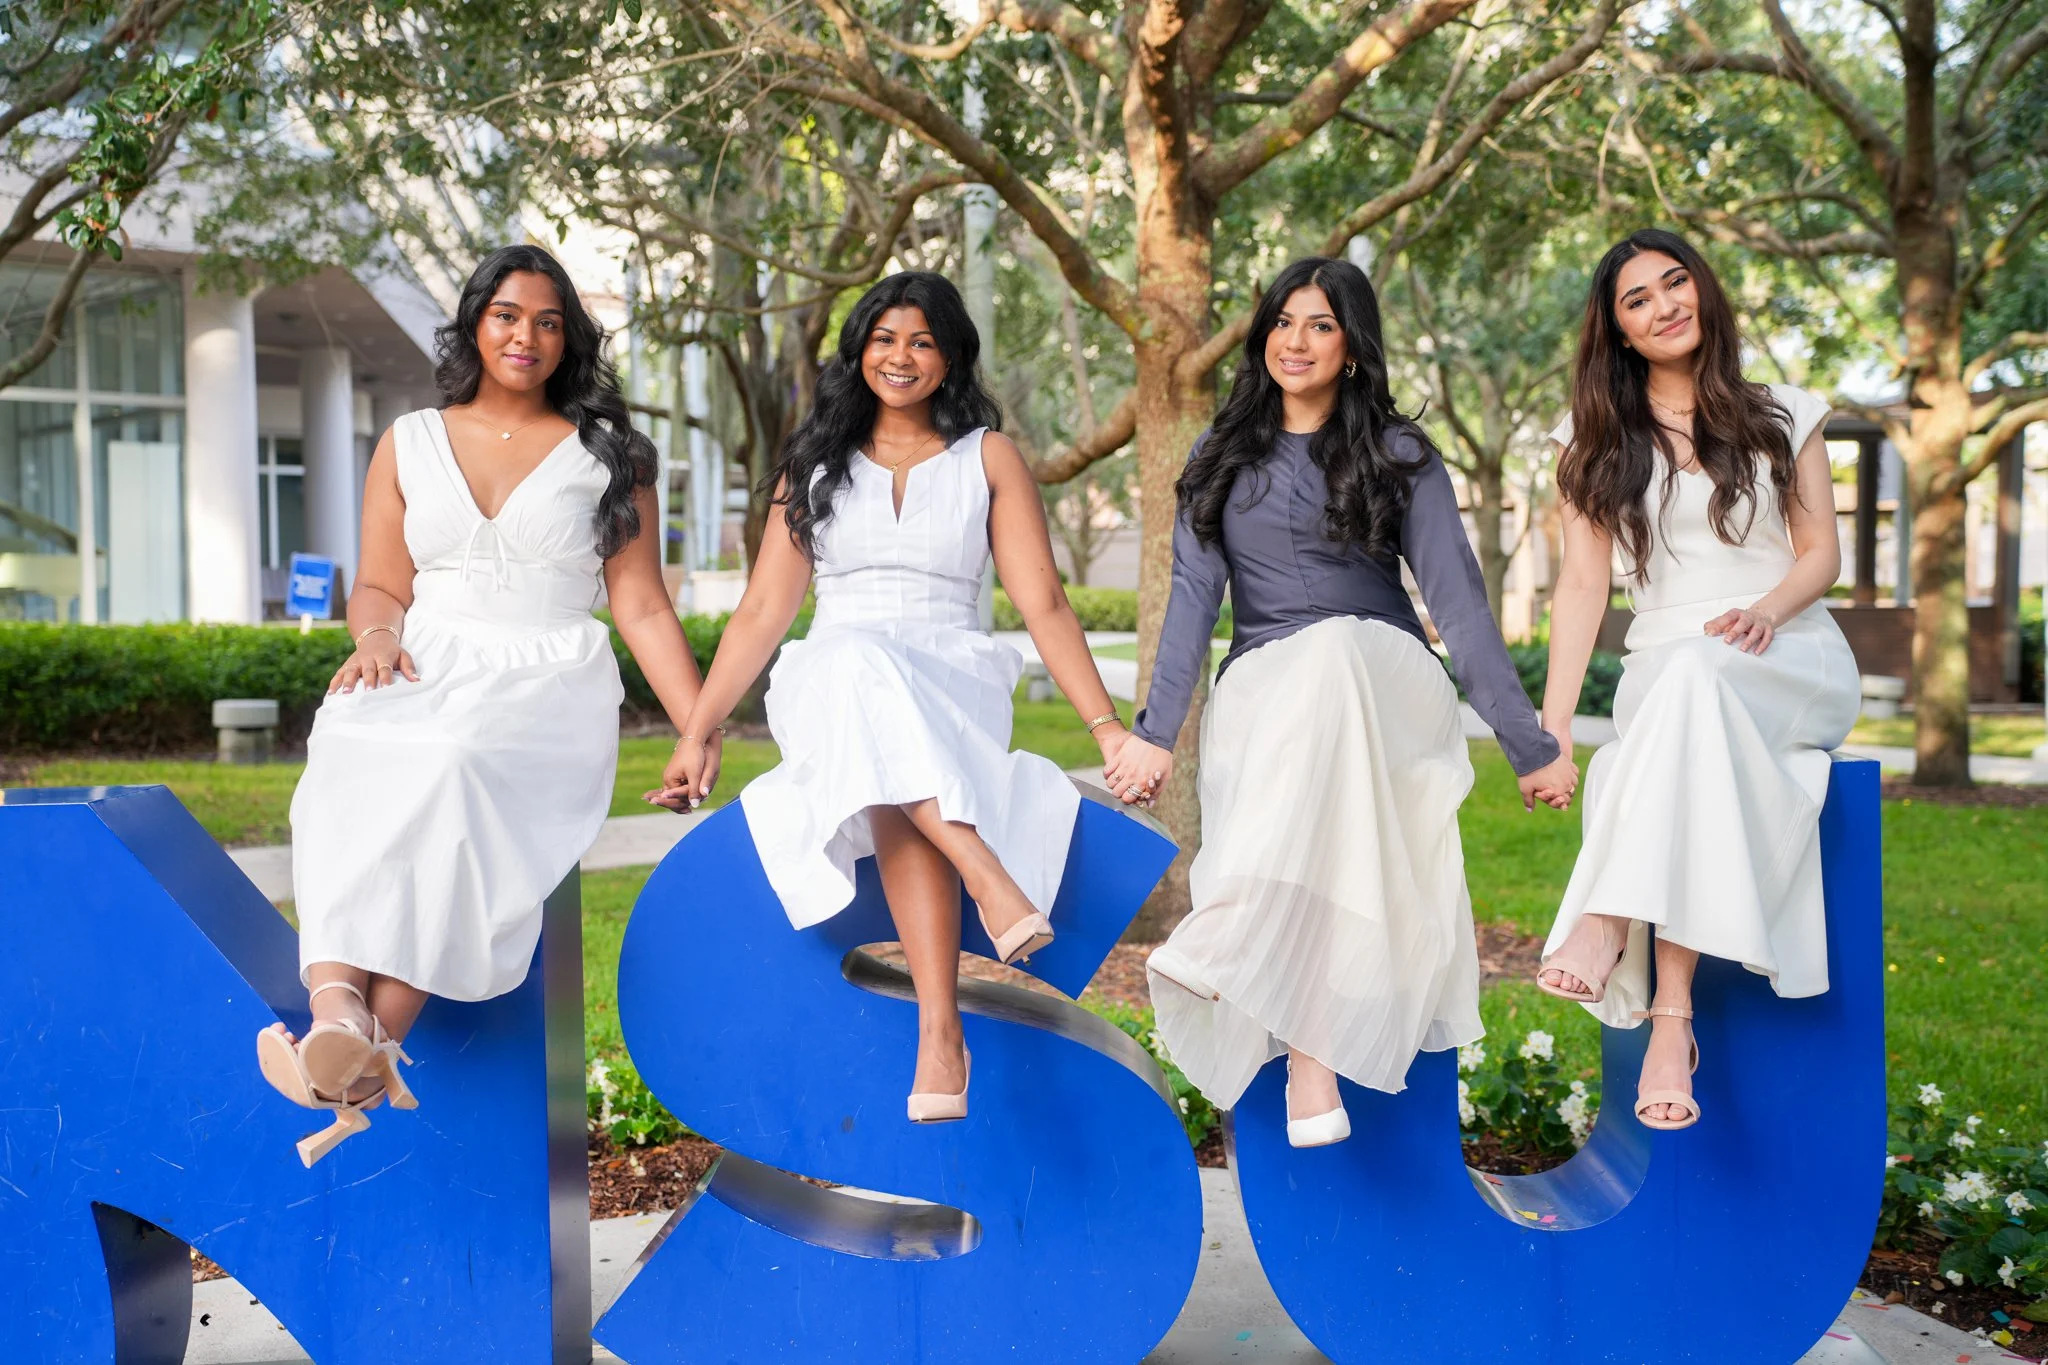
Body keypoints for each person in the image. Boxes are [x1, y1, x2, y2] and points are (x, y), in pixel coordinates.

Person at [1103, 258, 1578, 1148]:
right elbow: (1191, 606)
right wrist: (1155, 734)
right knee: (1307, 704)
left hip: (1381, 675)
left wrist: (1530, 743)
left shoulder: (1400, 453)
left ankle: (1233, 943)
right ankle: (1312, 1057)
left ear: (1353, 344)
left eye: (1320, 324)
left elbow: (1462, 608)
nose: (1296, 340)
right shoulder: (1218, 453)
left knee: (1331, 663)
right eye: (1283, 321)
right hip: (1268, 687)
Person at [258, 245, 713, 1166]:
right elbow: (382, 585)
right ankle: (340, 1011)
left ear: (570, 340)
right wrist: (378, 640)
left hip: (543, 674)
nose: (527, 336)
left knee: (451, 764)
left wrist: (695, 728)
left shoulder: (610, 456)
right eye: (509, 314)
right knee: (349, 744)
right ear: (475, 320)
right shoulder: (409, 439)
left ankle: (360, 1045)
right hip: (424, 657)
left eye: (550, 322)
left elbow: (641, 604)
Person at [658, 271, 1130, 1123]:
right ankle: (979, 901)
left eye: (920, 340)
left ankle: (941, 1030)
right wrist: (699, 728)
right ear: (859, 351)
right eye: (883, 338)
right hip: (837, 673)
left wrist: (1105, 728)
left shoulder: (986, 458)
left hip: (951, 675)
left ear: (948, 358)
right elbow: (766, 609)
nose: (900, 356)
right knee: (854, 670)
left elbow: (1044, 601)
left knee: (887, 756)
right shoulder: (812, 465)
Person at [1533, 228, 1860, 1132]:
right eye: (1637, 299)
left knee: (1699, 680)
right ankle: (1671, 1017)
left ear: (1704, 292)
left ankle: (1607, 917)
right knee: (1685, 686)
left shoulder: (1786, 411)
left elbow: (1822, 554)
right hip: (1670, 662)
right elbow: (1584, 585)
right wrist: (1554, 723)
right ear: (1620, 333)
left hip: (1789, 647)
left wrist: (1768, 609)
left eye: (1675, 283)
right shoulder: (1591, 439)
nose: (1664, 304)